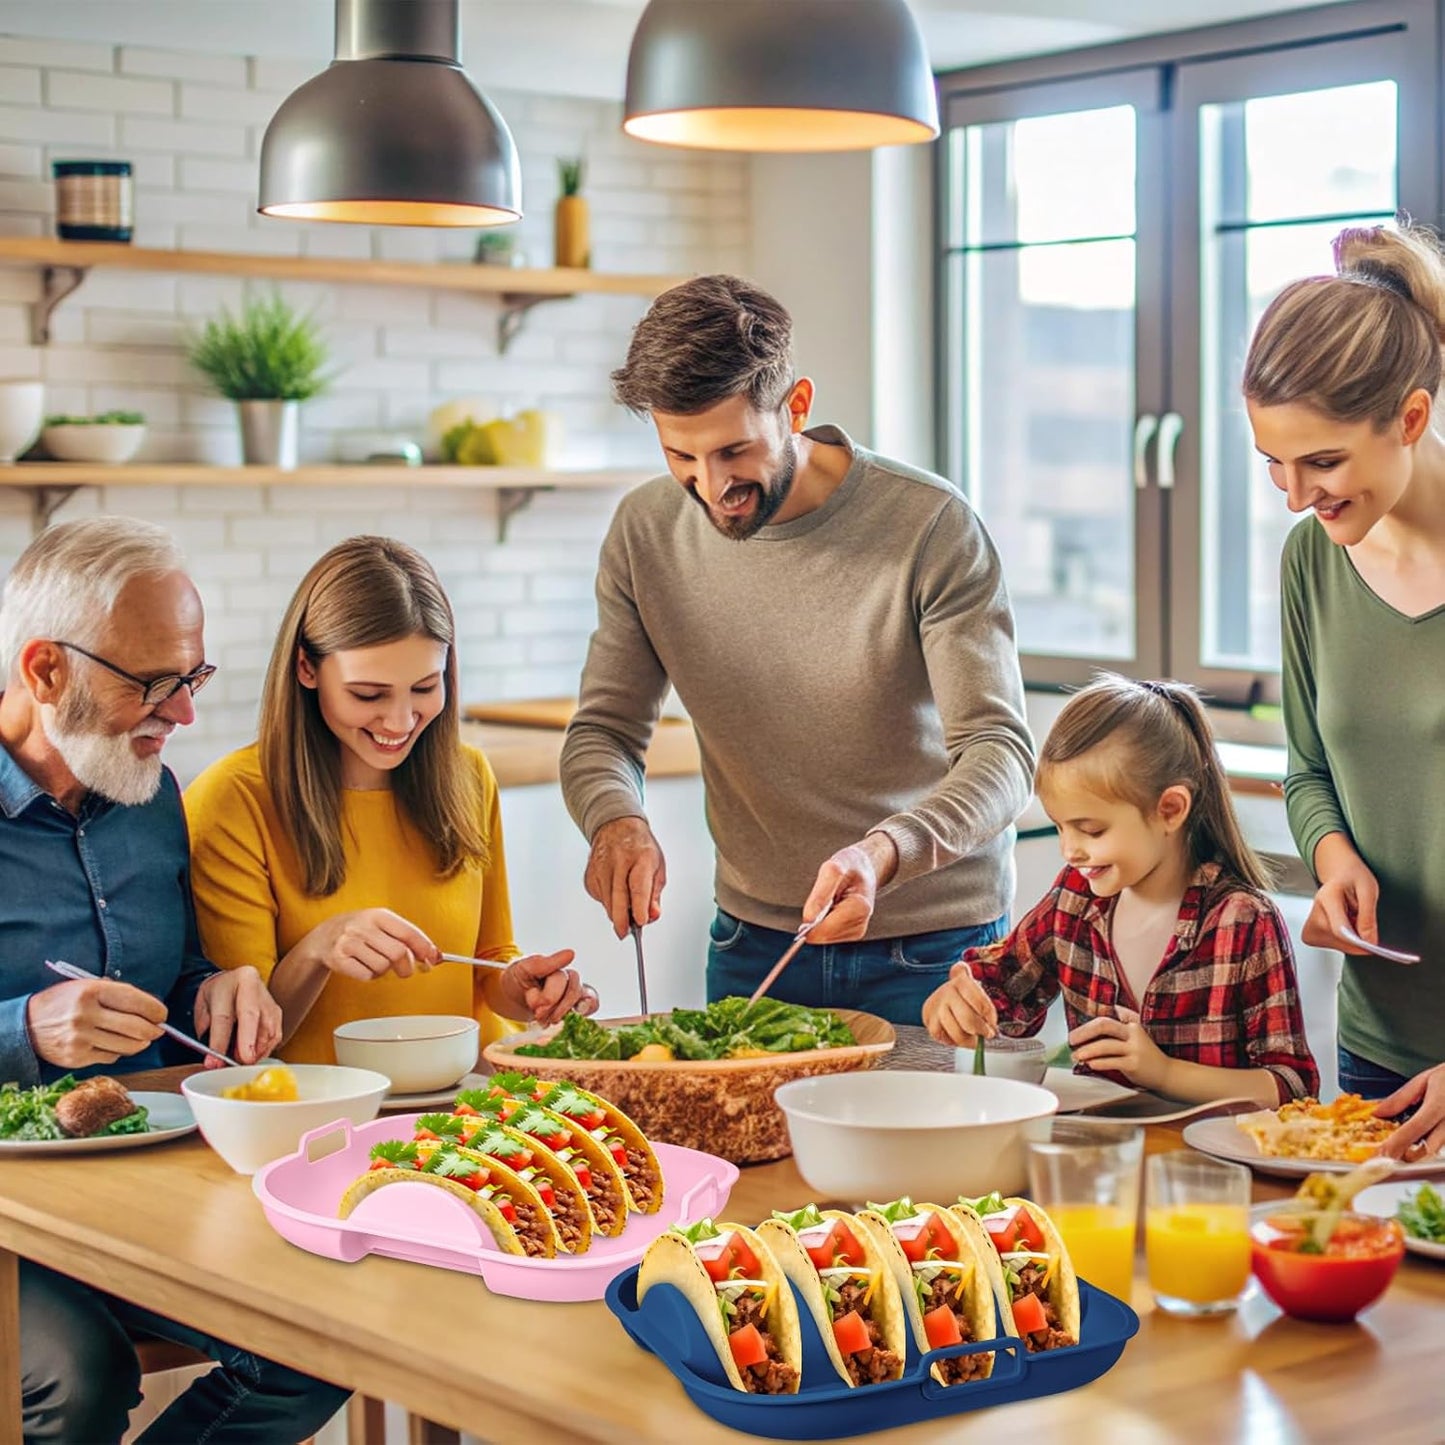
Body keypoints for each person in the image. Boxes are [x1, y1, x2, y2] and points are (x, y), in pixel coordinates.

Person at [559, 274, 1035, 1023]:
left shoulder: (928, 525)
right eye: (679, 455)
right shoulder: (643, 532)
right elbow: (604, 732)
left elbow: (1001, 754)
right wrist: (615, 819)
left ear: (797, 406)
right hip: (752, 944)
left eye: (732, 451)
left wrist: (882, 853)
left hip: (930, 948)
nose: (709, 486)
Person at [0, 516, 347, 1443]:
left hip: (145, 1180)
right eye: (152, 683)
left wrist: (220, 984)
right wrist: (24, 1031)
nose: (184, 712)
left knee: (320, 1336)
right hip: (8, 1213)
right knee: (77, 1378)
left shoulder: (147, 793)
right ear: (44, 671)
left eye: (191, 676)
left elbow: (181, 967)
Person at [185, 536, 591, 1063]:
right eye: (368, 695)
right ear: (307, 668)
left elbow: (488, 962)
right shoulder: (232, 800)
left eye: (425, 687)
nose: (400, 722)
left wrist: (527, 990)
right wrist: (318, 949)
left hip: (465, 1105)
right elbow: (244, 1040)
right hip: (323, 1117)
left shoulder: (468, 775)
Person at [1242, 221, 1445, 1108]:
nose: (1295, 496)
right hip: (1375, 1047)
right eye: (1272, 464)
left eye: (1322, 461)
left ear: (1409, 416)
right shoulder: (1311, 559)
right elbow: (1307, 768)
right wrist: (1331, 858)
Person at [922, 674, 1319, 1107]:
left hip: (1206, 1168)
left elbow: (1292, 1089)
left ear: (1170, 810)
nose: (1069, 850)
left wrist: (1163, 1072)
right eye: (1060, 826)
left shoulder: (1242, 920)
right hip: (1100, 1156)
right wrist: (955, 999)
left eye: (1090, 829)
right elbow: (1001, 991)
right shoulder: (1075, 898)